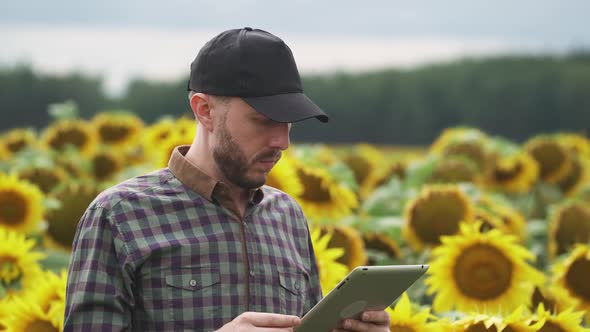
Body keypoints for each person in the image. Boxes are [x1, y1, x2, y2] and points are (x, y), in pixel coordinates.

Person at [64, 27, 391, 332]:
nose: (282, 141)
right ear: (204, 110)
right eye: (263, 121)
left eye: (288, 122)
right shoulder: (119, 215)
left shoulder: (288, 217)